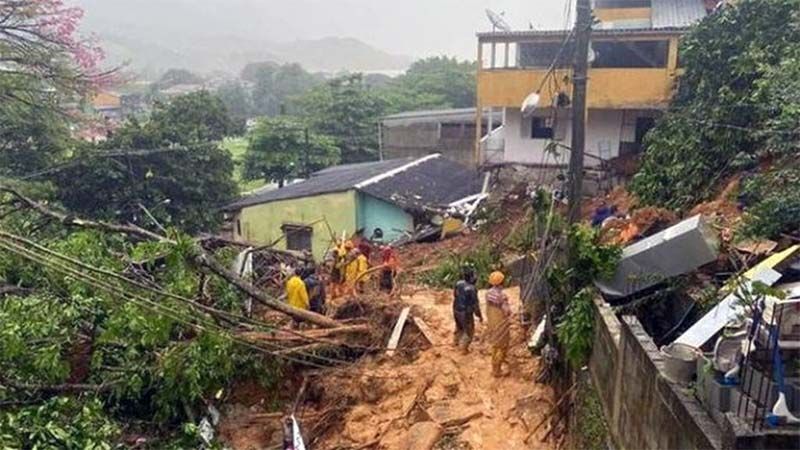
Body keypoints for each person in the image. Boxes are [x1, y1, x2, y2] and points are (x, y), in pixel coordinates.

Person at [486, 271, 512, 377]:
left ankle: (494, 367)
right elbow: (507, 311)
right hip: (501, 322)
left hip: (492, 322)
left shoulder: (488, 294)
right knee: (502, 346)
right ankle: (497, 370)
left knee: (495, 346)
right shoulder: (502, 296)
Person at [453, 265, 482, 354]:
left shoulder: (458, 283)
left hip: (456, 309)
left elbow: (455, 295)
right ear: (471, 278)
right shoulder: (472, 289)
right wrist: (479, 316)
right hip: (466, 313)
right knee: (469, 331)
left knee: (459, 327)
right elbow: (475, 305)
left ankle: (456, 342)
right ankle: (463, 349)